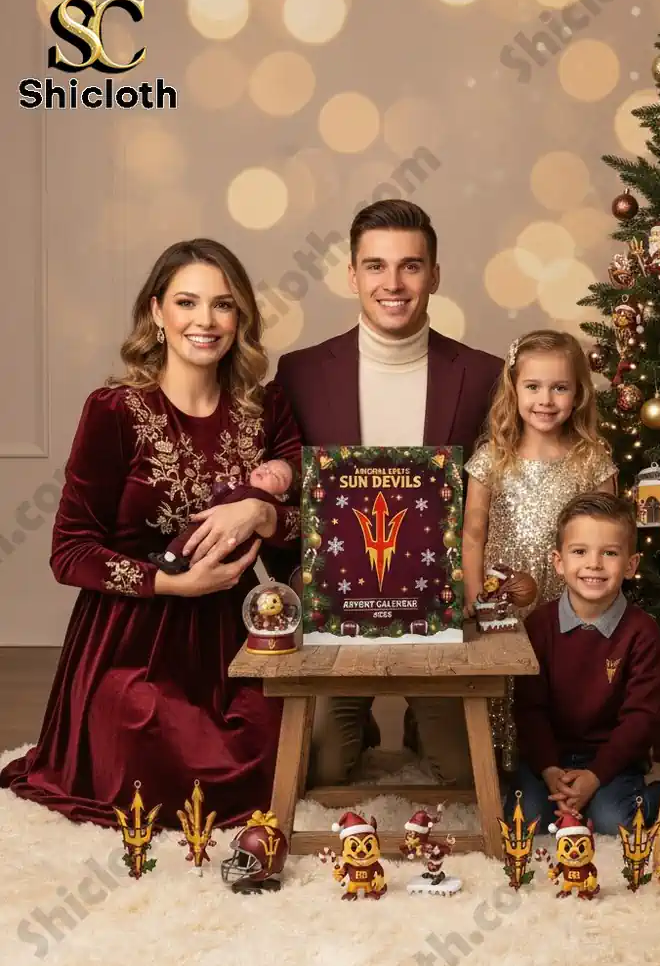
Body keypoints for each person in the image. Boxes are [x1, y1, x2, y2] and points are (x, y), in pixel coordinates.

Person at [0, 239, 302, 829]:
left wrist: (262, 515)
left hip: (236, 634)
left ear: (239, 318)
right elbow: (69, 552)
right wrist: (173, 584)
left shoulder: (265, 409)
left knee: (276, 743)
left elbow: (306, 530)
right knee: (149, 738)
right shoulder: (113, 410)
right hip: (133, 636)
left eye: (222, 305)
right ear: (157, 312)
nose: (204, 320)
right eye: (187, 302)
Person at [272, 200, 502, 788]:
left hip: (436, 610)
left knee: (462, 774)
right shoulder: (300, 372)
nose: (392, 284)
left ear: (435, 275)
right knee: (323, 769)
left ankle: (425, 718)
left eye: (410, 266)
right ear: (352, 275)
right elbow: (285, 489)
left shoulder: (482, 374)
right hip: (339, 609)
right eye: (375, 266)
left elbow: (495, 492)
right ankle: (362, 720)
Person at [462, 330, 617, 770]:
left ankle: (557, 766)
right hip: (503, 598)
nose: (545, 400)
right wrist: (475, 595)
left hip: (567, 598)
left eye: (559, 387)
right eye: (533, 386)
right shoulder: (492, 457)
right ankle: (503, 769)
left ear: (578, 393)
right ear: (514, 389)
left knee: (559, 682)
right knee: (506, 685)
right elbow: (473, 533)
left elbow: (609, 538)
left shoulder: (592, 459)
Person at [505, 492, 660, 835]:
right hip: (550, 757)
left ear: (631, 565)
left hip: (614, 759)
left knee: (614, 822)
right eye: (580, 552)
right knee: (526, 821)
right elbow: (529, 709)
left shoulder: (642, 631)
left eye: (610, 553)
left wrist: (595, 776)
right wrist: (549, 770)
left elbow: (640, 718)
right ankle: (563, 789)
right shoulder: (539, 625)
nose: (594, 564)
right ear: (559, 561)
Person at [150, 459, 294, 574]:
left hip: (227, 548)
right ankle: (173, 559)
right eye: (266, 465)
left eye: (276, 476)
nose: (267, 471)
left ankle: (171, 558)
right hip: (211, 528)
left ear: (281, 497)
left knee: (189, 540)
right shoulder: (242, 487)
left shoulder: (260, 497)